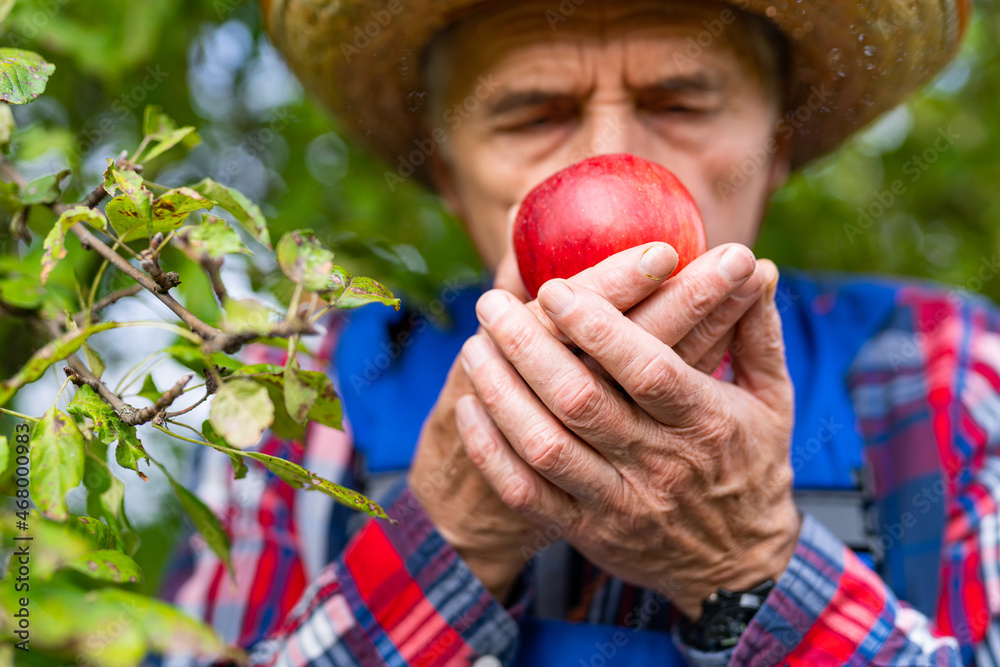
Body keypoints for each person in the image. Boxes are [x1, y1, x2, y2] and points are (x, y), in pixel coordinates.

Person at [163, 0, 1000, 665]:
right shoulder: (296, 391)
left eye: (680, 101)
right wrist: (447, 537)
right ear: (450, 172)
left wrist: (750, 564)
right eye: (534, 115)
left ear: (775, 147)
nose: (608, 157)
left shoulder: (945, 371)